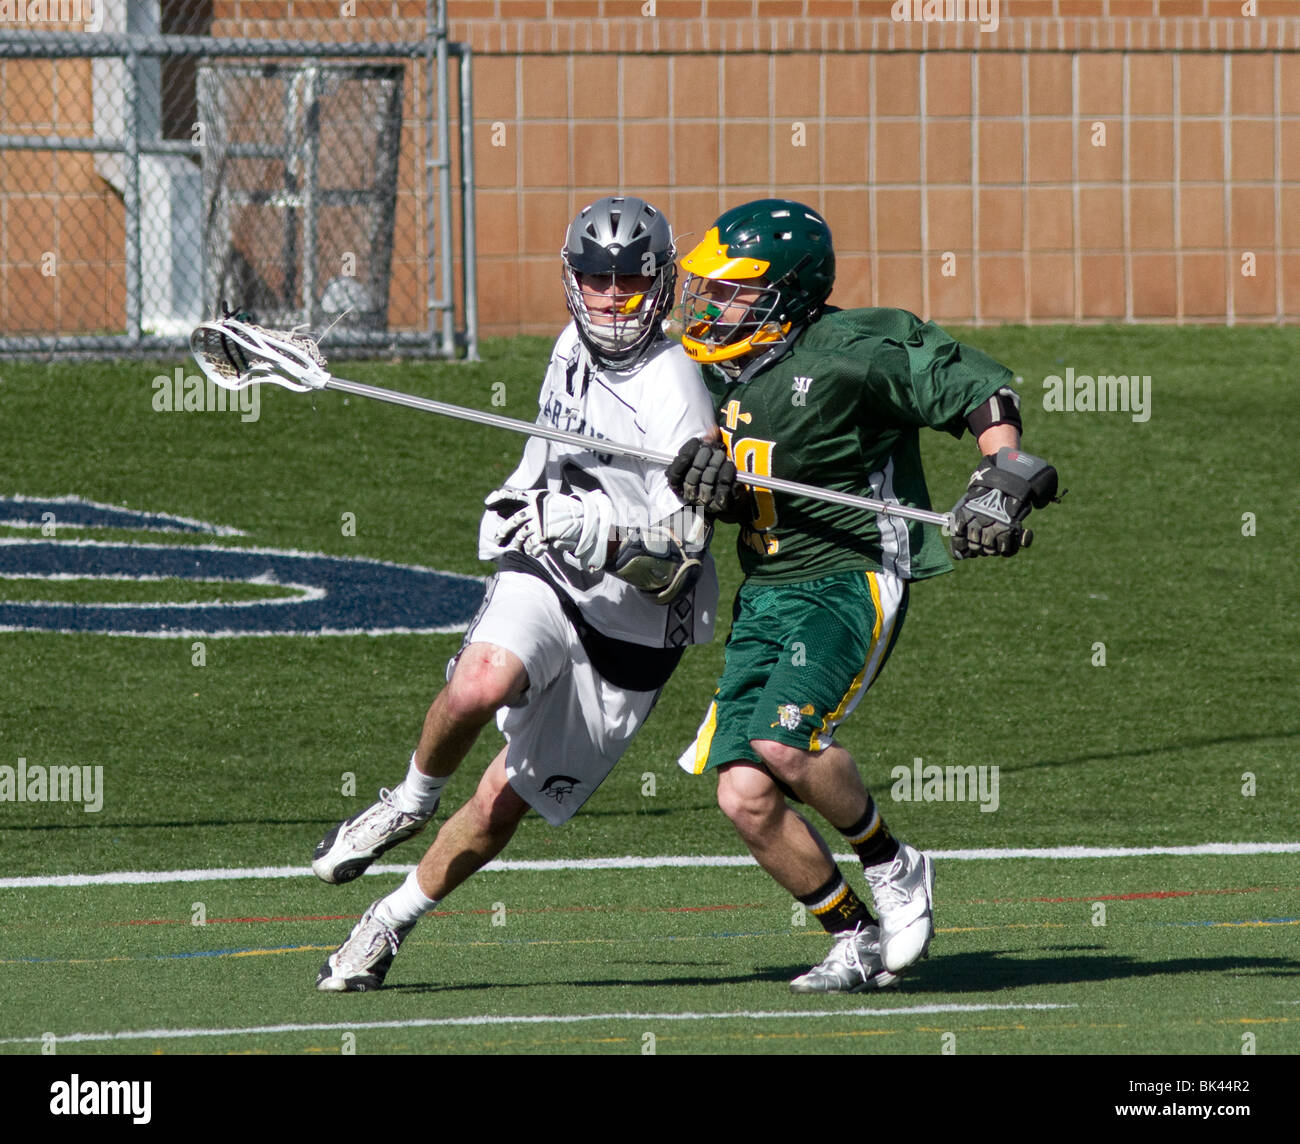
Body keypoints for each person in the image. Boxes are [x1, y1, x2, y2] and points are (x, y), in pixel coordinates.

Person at [312, 196, 719, 991]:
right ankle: (409, 798)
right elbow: (547, 462)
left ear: (659, 284)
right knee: (480, 680)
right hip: (553, 577)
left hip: (633, 629)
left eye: (629, 280)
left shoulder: (677, 392)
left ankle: (389, 920)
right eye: (597, 279)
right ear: (574, 283)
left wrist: (598, 532)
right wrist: (517, 506)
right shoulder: (569, 346)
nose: (611, 296)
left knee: (505, 797)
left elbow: (678, 566)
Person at [666, 199, 1059, 993]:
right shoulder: (710, 369)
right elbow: (745, 477)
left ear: (788, 294)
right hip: (767, 589)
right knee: (743, 796)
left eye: (732, 292)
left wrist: (1003, 473)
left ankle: (895, 863)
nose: (709, 306)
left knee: (784, 744)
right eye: (704, 287)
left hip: (848, 576)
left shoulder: (851, 351)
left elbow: (973, 385)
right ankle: (853, 936)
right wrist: (704, 479)